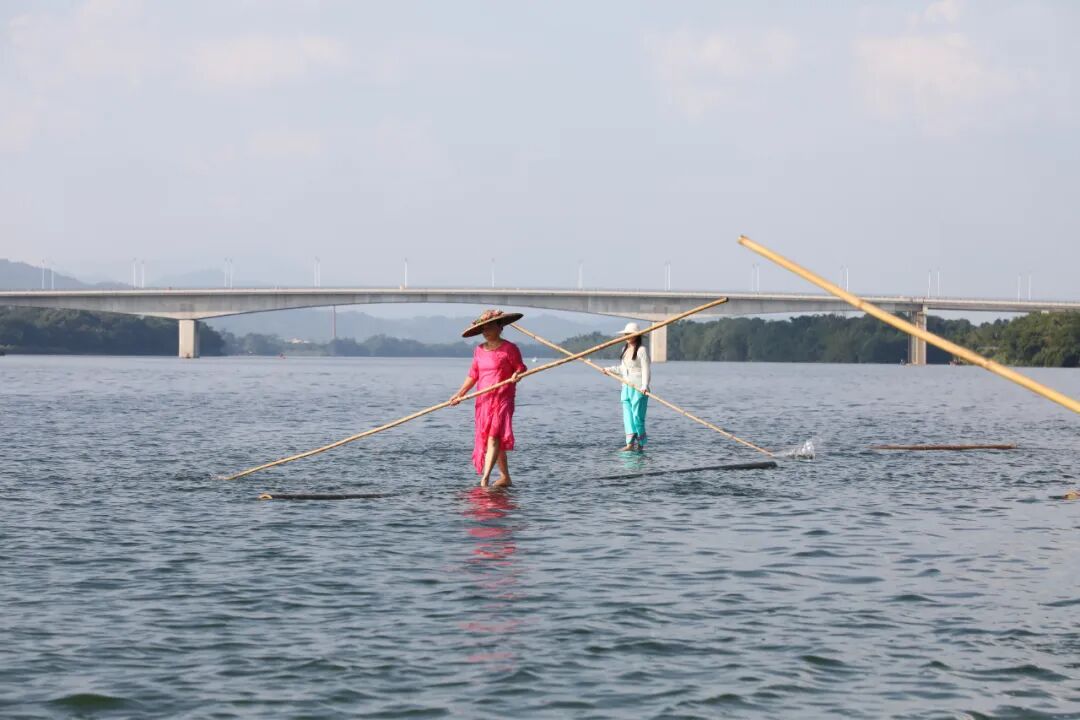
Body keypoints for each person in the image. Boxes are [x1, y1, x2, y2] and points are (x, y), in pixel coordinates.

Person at [450, 309, 527, 488]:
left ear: (500, 328)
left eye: (490, 327)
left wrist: (517, 374)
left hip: (502, 398)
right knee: (492, 438)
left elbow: (521, 367)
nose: (486, 331)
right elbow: (473, 375)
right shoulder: (478, 350)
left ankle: (484, 480)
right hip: (483, 399)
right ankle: (505, 477)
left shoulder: (510, 348)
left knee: (494, 437)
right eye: (483, 328)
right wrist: (459, 394)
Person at [606, 322, 650, 452]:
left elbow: (646, 369)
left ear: (637, 336)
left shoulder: (642, 350)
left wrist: (645, 385)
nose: (627, 336)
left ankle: (641, 444)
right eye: (626, 334)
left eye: (630, 334)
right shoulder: (624, 349)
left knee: (637, 416)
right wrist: (609, 370)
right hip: (626, 387)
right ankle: (630, 444)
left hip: (639, 388)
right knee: (628, 417)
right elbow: (622, 369)